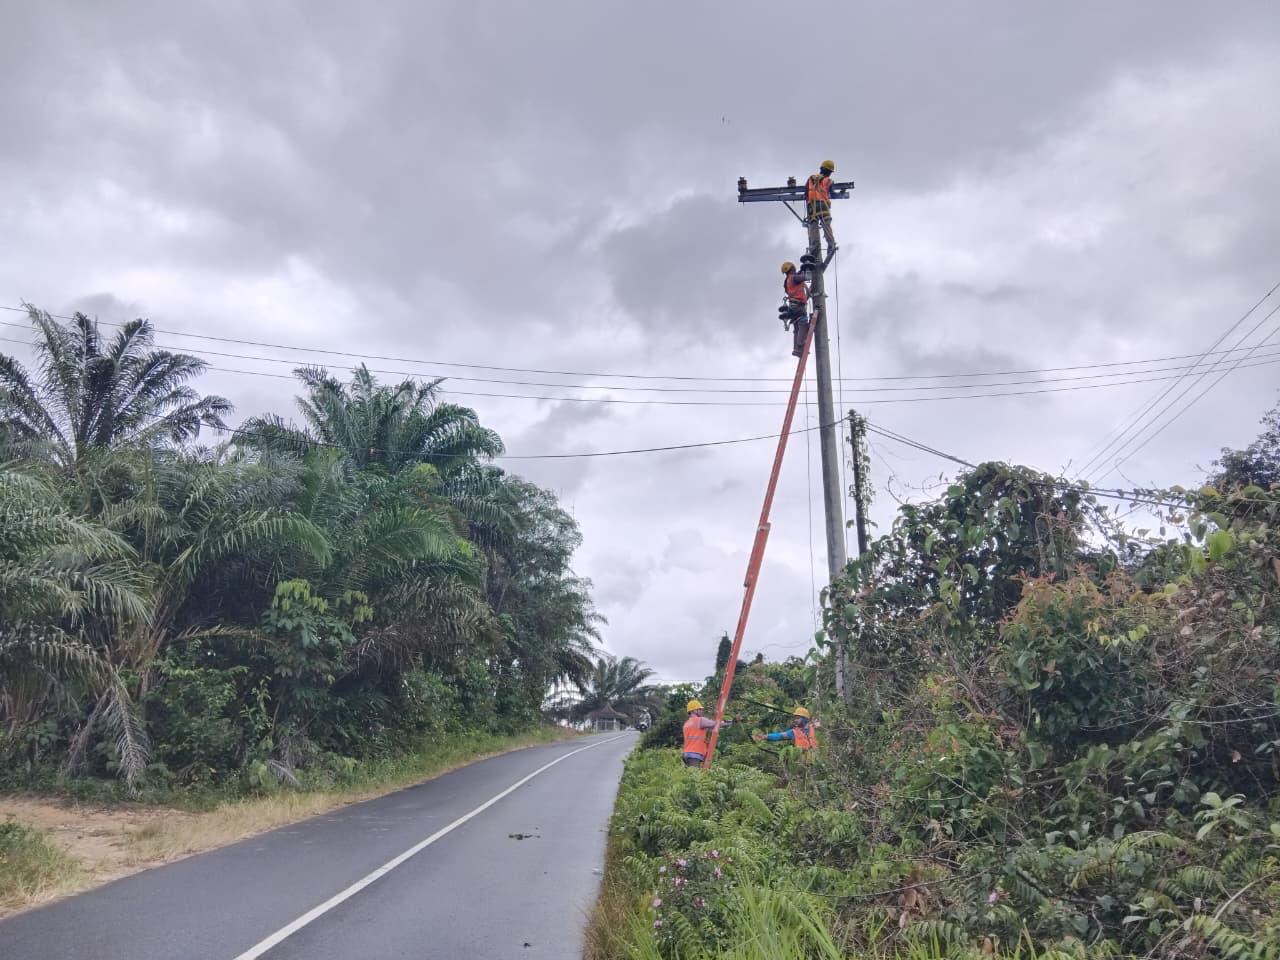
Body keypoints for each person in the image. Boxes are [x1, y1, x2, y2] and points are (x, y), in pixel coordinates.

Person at [682, 699, 729, 767]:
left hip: (686, 754)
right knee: (694, 774)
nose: (702, 711)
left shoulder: (686, 723)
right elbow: (716, 724)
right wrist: (732, 722)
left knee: (689, 773)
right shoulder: (700, 720)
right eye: (700, 709)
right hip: (695, 754)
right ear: (694, 710)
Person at [753, 706, 818, 752]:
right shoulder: (794, 732)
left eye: (798, 718)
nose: (795, 720)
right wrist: (764, 736)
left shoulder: (813, 727)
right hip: (802, 762)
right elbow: (779, 736)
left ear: (805, 719)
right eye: (795, 718)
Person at [779, 261, 810, 358]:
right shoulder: (794, 277)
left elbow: (798, 279)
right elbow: (807, 277)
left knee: (796, 329)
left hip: (793, 306)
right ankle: (800, 346)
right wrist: (808, 270)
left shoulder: (788, 280)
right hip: (799, 306)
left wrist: (802, 270)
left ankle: (796, 349)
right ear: (792, 268)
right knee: (803, 324)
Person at [806, 160, 837, 252]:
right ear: (829, 172)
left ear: (821, 169)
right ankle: (831, 244)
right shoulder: (829, 181)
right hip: (823, 205)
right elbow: (833, 193)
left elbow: (806, 191)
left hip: (812, 206)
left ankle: (814, 248)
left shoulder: (811, 178)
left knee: (813, 227)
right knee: (826, 224)